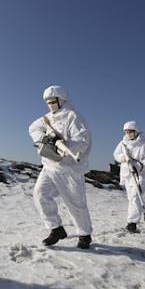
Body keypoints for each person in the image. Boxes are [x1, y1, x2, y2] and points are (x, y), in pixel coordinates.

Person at [28, 85, 93, 249]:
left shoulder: (74, 117)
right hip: (50, 166)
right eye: (47, 102)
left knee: (76, 204)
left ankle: (84, 234)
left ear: (61, 100)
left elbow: (82, 140)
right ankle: (56, 228)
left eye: (53, 101)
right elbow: (33, 128)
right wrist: (45, 139)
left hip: (70, 169)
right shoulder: (48, 118)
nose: (50, 104)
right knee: (40, 195)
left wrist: (65, 147)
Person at [113, 121, 145, 233]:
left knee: (135, 196)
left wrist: (137, 166)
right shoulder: (123, 143)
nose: (128, 133)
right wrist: (124, 158)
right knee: (132, 198)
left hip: (143, 174)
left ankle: (132, 223)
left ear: (137, 132)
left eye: (130, 131)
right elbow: (116, 155)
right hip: (128, 174)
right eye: (126, 131)